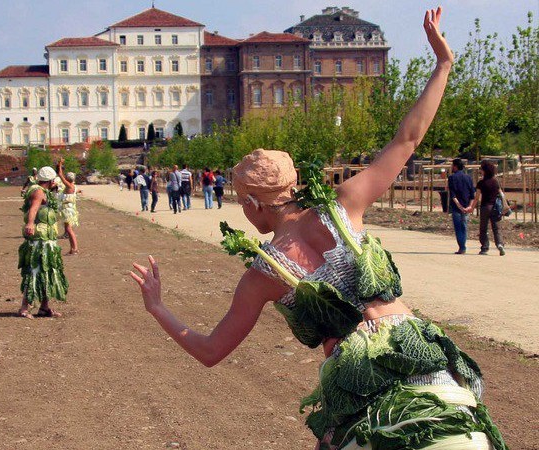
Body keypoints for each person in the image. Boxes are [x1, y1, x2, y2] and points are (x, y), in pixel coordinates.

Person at [131, 9, 507, 450]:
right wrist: (443, 64)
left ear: (252, 204)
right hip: (424, 362)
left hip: (362, 389)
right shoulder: (346, 203)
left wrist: (158, 307)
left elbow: (212, 351)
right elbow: (408, 137)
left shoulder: (263, 273)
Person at [19, 166, 68, 318]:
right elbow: (34, 208)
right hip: (40, 240)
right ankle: (24, 308)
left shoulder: (44, 191)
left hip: (47, 239)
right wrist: (30, 223)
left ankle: (44, 307)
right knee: (35, 270)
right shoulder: (38, 191)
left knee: (47, 270)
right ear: (51, 180)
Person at [466, 160, 508, 256]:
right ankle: (500, 244)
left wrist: (472, 207)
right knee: (496, 228)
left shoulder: (481, 183)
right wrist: (505, 205)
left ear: (484, 171)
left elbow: (477, 198)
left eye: (481, 169)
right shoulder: (495, 182)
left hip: (485, 207)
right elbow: (501, 193)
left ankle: (484, 248)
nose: (480, 171)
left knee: (483, 228)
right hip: (495, 207)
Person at [448, 158, 475, 254]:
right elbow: (472, 194)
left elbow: (453, 195)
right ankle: (463, 245)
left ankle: (462, 247)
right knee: (464, 226)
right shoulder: (469, 178)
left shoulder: (452, 178)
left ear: (455, 166)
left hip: (457, 207)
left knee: (458, 227)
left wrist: (459, 206)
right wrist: (469, 206)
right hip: (467, 205)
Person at [57, 159, 79, 255]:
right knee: (68, 229)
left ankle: (74, 248)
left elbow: (60, 175)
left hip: (68, 210)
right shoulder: (72, 186)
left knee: (69, 229)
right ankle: (73, 248)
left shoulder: (69, 186)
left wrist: (60, 164)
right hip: (70, 209)